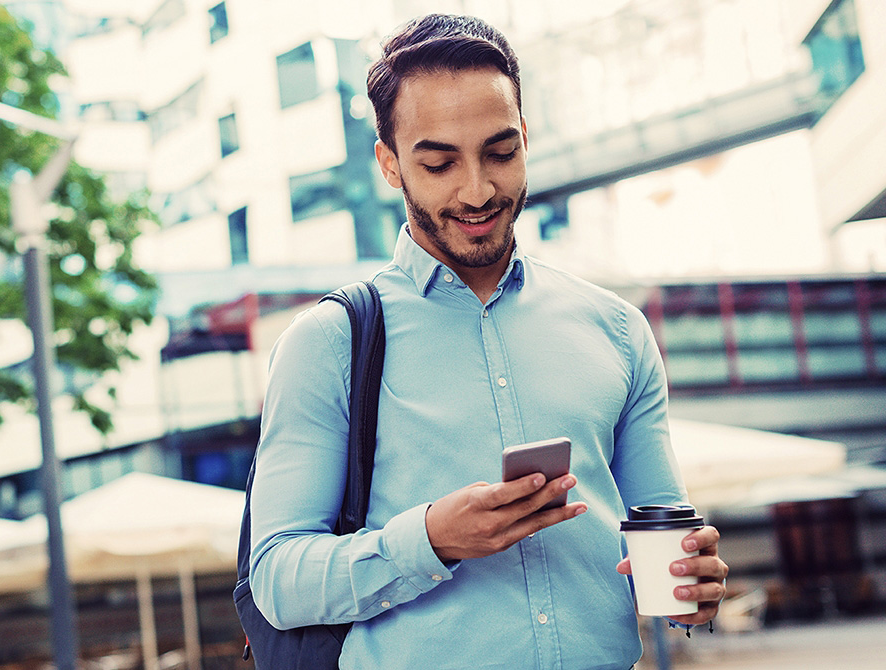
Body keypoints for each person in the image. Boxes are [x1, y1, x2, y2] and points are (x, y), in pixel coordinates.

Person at [247, 13, 729, 669]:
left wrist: (693, 586)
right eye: (439, 162)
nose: (477, 190)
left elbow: (665, 543)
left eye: (500, 153)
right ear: (389, 163)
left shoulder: (616, 330)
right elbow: (278, 580)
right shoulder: (329, 343)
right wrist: (431, 540)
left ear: (527, 137)